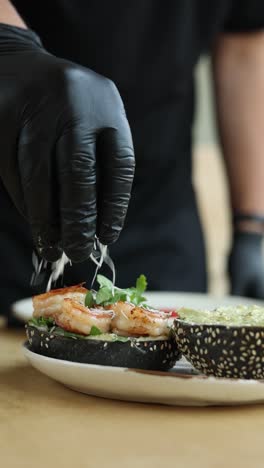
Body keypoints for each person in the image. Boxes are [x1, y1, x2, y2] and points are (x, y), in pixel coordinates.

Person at [1, 1, 264, 323]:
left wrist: (251, 228)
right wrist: (11, 47)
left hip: (161, 219)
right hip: (14, 206)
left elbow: (243, 42)